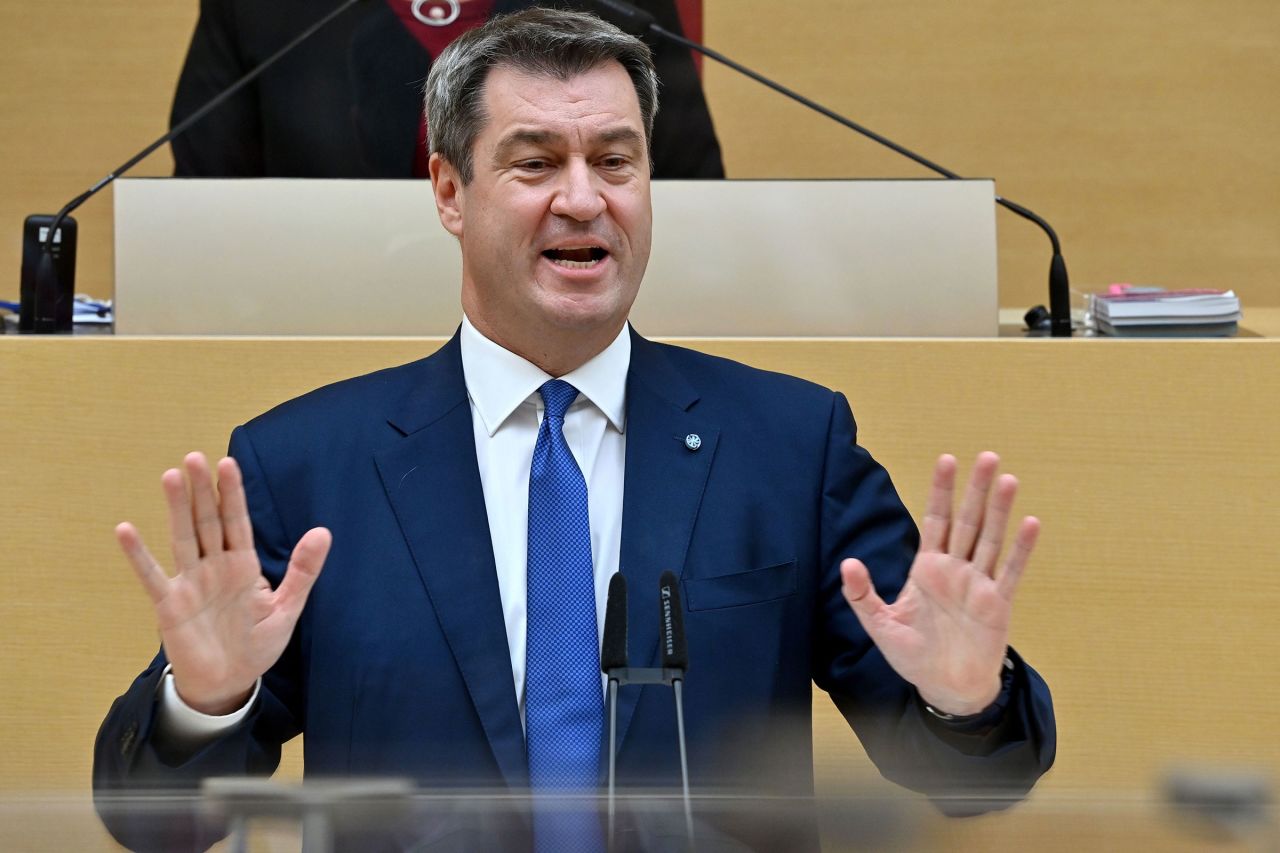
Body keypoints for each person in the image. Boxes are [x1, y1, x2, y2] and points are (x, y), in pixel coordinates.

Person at [97, 8, 1055, 851]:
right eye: (534, 161)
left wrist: (960, 698)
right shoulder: (308, 465)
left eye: (614, 160)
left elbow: (973, 780)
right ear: (447, 192)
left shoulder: (788, 446)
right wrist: (208, 702)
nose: (584, 198)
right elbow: (155, 816)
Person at [170, 0, 723, 179]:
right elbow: (201, 199)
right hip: (308, 325)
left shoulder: (614, 6)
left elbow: (690, 195)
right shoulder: (265, 10)